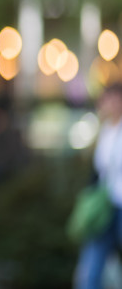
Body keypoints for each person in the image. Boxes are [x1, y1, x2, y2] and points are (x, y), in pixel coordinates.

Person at [74, 83, 122, 289]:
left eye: (111, 99)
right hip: (105, 205)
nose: (106, 105)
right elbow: (98, 171)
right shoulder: (105, 130)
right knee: (91, 269)